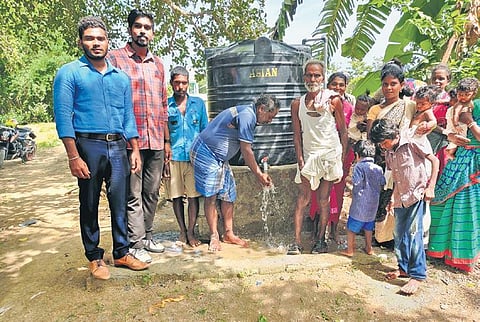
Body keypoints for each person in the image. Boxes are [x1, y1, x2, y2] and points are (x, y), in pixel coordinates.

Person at [53, 16, 148, 280]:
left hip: (118, 146)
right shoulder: (70, 73)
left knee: (120, 201)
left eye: (100, 38)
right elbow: (63, 116)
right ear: (81, 41)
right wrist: (74, 156)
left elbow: (128, 116)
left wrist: (135, 149)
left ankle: (121, 252)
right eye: (90, 38)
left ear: (108, 42)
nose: (96, 43)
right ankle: (94, 257)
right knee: (90, 202)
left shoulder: (120, 78)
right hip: (87, 145)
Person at [107, 9, 171, 263]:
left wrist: (167, 141)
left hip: (155, 138)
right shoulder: (115, 59)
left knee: (152, 192)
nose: (142, 31)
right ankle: (134, 244)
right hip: (129, 142)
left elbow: (164, 105)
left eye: (147, 27)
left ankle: (146, 236)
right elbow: (111, 101)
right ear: (130, 30)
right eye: (138, 26)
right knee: (132, 194)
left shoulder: (158, 64)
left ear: (152, 33)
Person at [190, 94, 279, 252]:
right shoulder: (247, 115)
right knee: (211, 196)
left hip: (220, 159)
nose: (270, 121)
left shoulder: (249, 114)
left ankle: (228, 234)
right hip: (206, 153)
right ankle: (214, 236)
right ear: (261, 109)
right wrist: (259, 175)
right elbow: (246, 150)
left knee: (228, 194)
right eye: (270, 117)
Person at [370, 118, 439, 295]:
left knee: (414, 234)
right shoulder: (389, 152)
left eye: (384, 142)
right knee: (399, 234)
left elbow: (435, 161)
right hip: (401, 197)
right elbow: (396, 176)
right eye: (380, 144)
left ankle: (417, 275)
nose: (383, 146)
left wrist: (430, 187)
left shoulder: (412, 143)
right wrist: (393, 198)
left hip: (417, 195)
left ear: (394, 135)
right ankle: (403, 268)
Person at [288, 60, 348, 255]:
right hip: (309, 156)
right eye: (309, 75)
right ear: (304, 77)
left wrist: (340, 158)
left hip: (329, 155)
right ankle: (296, 242)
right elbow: (297, 135)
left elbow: (343, 132)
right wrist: (299, 158)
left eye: (317, 75)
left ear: (322, 78)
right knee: (303, 198)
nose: (312, 79)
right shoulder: (297, 104)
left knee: (323, 200)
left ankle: (321, 241)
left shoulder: (334, 101)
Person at [366, 61, 417, 249]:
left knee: (398, 197)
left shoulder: (409, 106)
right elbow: (371, 136)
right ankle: (378, 235)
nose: (389, 88)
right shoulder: (375, 109)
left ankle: (394, 238)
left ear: (401, 85)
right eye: (385, 84)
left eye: (393, 84)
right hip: (381, 159)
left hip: (403, 159)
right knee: (380, 197)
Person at [427, 98, 480, 273]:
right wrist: (453, 136)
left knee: (467, 207)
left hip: (474, 164)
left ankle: (461, 257)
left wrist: (470, 122)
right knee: (444, 201)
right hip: (461, 156)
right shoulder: (474, 103)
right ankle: (439, 250)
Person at [164, 66, 208, 247]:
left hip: (194, 158)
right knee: (175, 197)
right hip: (173, 158)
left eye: (184, 83)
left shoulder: (198, 104)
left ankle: (191, 232)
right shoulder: (165, 105)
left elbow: (205, 131)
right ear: (171, 84)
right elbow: (162, 132)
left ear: (188, 83)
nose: (181, 86)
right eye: (177, 83)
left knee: (193, 196)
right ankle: (181, 230)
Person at [309, 72, 354, 244]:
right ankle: (317, 229)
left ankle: (334, 230)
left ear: (345, 87)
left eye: (341, 85)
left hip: (342, 154)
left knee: (338, 192)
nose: (338, 88)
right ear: (328, 85)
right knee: (318, 193)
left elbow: (347, 131)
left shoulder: (349, 107)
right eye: (334, 84)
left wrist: (342, 157)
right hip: (321, 153)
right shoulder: (320, 104)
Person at [340, 140, 385, 257]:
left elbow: (356, 181)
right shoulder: (378, 168)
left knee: (351, 228)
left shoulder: (359, 166)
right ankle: (369, 248)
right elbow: (382, 182)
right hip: (373, 203)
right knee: (369, 227)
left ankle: (350, 250)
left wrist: (347, 179)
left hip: (359, 204)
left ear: (357, 155)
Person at [444, 77, 479, 161]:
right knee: (457, 140)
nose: (463, 97)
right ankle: (450, 153)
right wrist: (455, 126)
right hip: (457, 127)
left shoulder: (473, 104)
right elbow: (455, 114)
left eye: (467, 95)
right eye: (460, 94)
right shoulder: (461, 105)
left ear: (473, 94)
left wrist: (469, 121)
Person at [426, 64, 452, 176]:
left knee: (441, 171)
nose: (437, 81)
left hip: (444, 142)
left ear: (448, 80)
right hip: (426, 140)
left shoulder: (452, 100)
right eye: (434, 78)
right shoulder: (425, 99)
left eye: (441, 79)